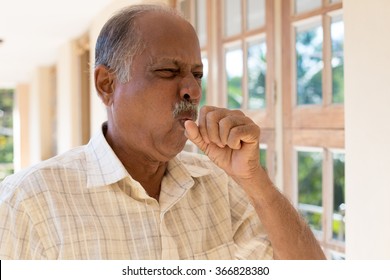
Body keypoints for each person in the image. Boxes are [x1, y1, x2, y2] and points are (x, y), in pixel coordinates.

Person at [0, 4, 325, 260]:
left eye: (197, 75)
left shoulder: (222, 186)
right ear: (107, 84)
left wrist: (256, 181)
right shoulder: (29, 203)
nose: (192, 91)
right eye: (168, 71)